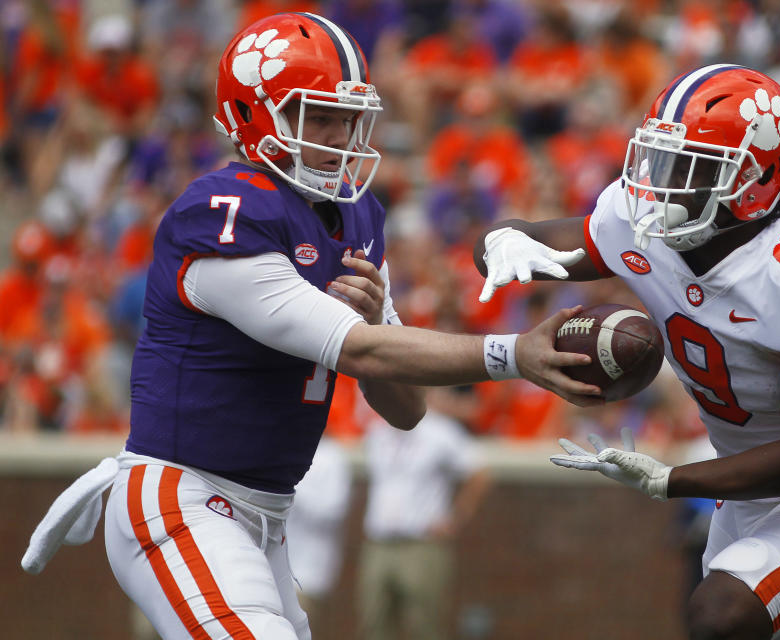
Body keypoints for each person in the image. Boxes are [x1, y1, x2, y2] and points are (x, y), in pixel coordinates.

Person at [20, 12, 602, 640]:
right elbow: (361, 352)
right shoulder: (224, 213)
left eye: (348, 118)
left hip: (267, 515)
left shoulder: (354, 217)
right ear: (253, 114)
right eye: (318, 116)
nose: (340, 136)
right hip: (181, 499)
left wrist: (378, 313)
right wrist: (513, 353)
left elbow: (405, 409)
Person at [474, 64, 780, 640]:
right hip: (746, 498)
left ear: (757, 179)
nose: (664, 184)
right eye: (661, 159)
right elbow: (530, 237)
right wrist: (500, 241)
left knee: (718, 616)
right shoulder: (643, 225)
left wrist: (671, 479)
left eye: (691, 167)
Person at [357, 391, 491, 640]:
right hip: (379, 542)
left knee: (425, 625)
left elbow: (479, 473)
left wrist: (455, 519)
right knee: (373, 625)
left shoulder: (440, 431)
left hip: (421, 543)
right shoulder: (377, 433)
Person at [286, 437, 354, 640]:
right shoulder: (282, 448)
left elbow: (333, 511)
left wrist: (293, 490)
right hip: (274, 569)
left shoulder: (332, 457)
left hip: (309, 573)